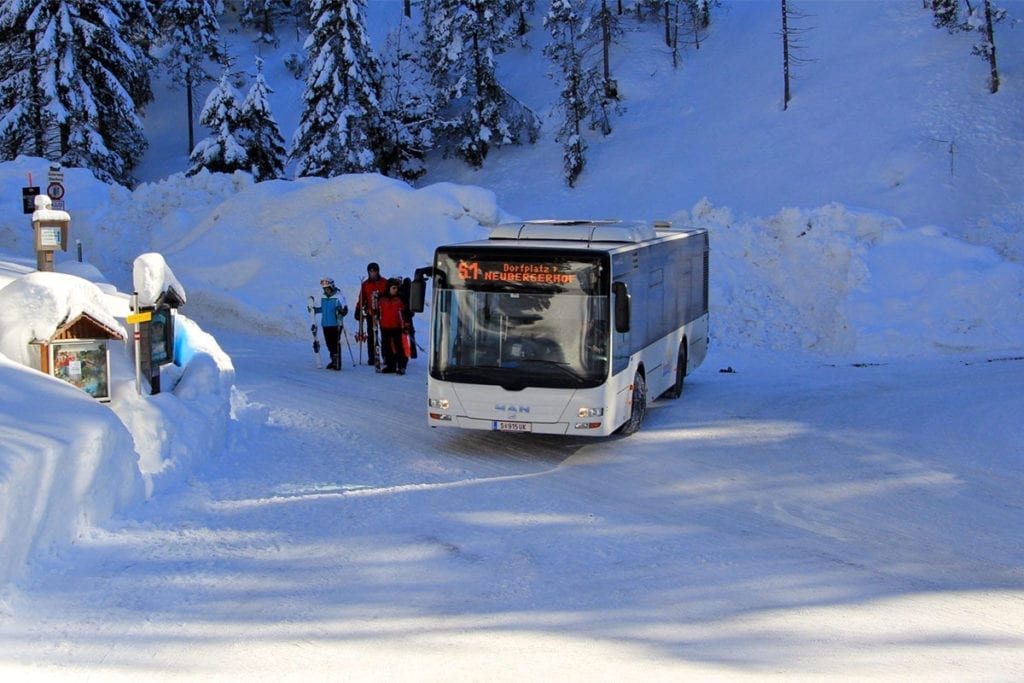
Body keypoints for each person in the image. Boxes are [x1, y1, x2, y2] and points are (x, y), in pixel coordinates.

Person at [310, 278, 348, 370]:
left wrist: (341, 311)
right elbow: (323, 309)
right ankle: (333, 360)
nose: (326, 290)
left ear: (331, 287)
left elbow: (345, 310)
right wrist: (314, 310)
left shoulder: (339, 297)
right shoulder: (323, 297)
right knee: (329, 344)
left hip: (335, 324)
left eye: (327, 288)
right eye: (324, 288)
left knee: (335, 343)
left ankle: (337, 362)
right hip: (325, 324)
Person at [355, 262, 387, 366]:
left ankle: (386, 356)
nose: (372, 273)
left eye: (374, 271)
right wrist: (358, 308)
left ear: (378, 271)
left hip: (383, 313)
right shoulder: (365, 284)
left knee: (385, 335)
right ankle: (372, 357)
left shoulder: (384, 282)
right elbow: (362, 297)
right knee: (371, 335)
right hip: (370, 313)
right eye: (370, 272)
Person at [377, 277, 410, 374]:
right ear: (388, 288)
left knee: (399, 347)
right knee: (387, 347)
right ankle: (391, 365)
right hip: (385, 326)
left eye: (396, 288)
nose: (395, 290)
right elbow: (377, 310)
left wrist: (406, 324)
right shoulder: (382, 298)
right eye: (393, 288)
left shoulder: (400, 298)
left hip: (397, 326)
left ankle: (401, 366)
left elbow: (407, 312)